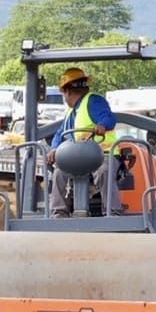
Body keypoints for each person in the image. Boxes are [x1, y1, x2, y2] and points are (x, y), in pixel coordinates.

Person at [45, 66, 124, 216]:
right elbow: (60, 134)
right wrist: (54, 148)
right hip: (77, 158)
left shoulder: (95, 101)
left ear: (67, 92)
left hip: (102, 155)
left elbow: (108, 117)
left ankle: (112, 212)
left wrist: (102, 125)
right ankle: (59, 213)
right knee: (59, 172)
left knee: (104, 171)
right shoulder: (71, 113)